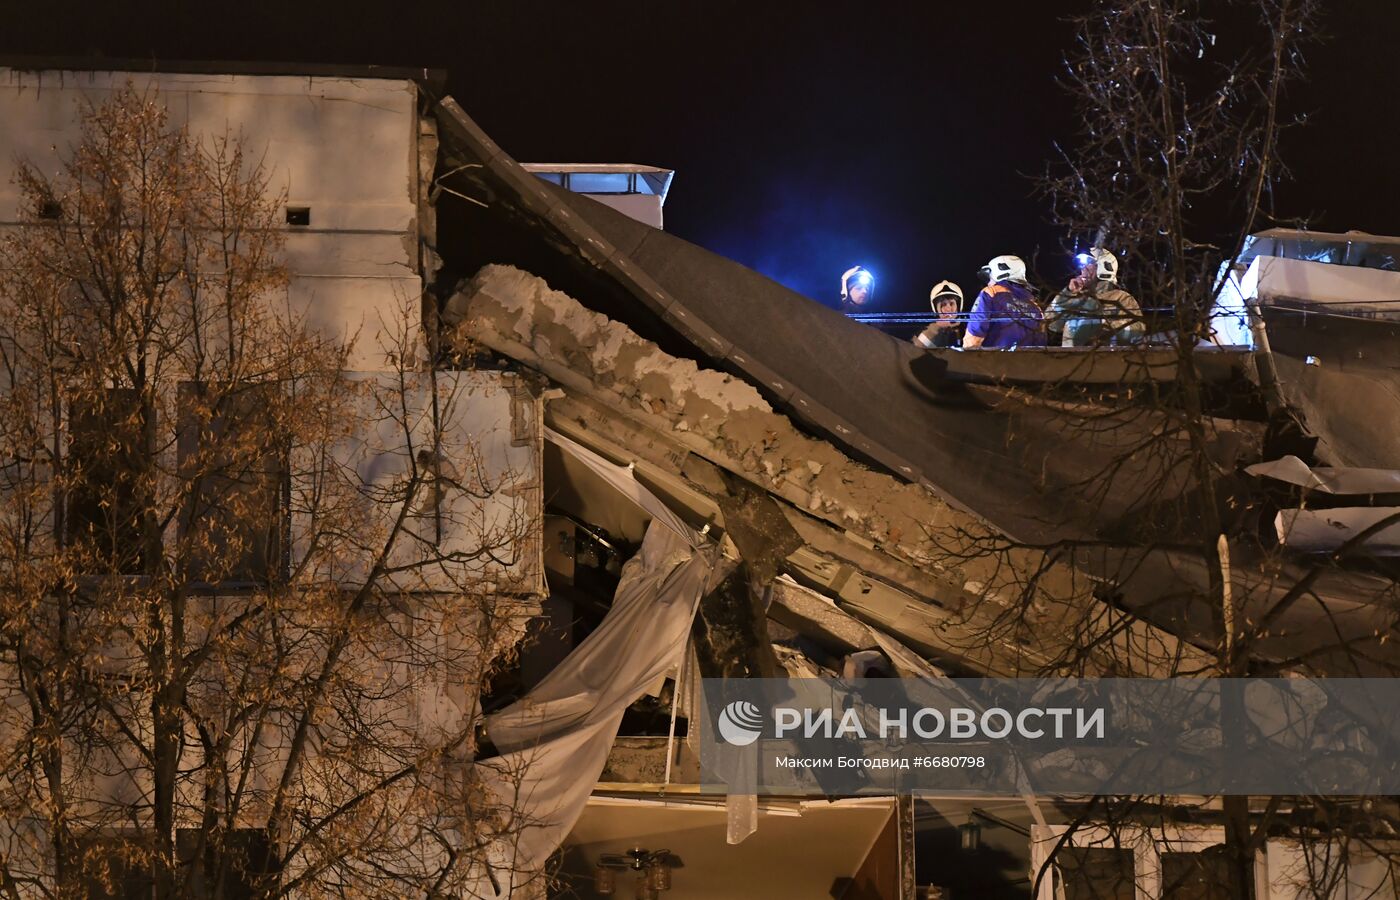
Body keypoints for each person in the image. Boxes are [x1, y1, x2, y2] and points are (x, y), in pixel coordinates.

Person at [1046, 248, 1146, 347]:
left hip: (1107, 359)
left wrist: (1100, 325)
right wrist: (1068, 292)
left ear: (1103, 267)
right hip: (1073, 360)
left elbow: (1137, 331)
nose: (1082, 269)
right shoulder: (1076, 298)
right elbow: (1052, 323)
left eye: (1088, 264)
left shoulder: (1121, 297)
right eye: (1082, 266)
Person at [963, 255, 1046, 349]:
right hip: (1025, 362)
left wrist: (968, 355)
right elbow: (1040, 344)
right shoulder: (1036, 308)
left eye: (990, 277)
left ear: (1001, 273)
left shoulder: (991, 293)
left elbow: (976, 328)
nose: (989, 283)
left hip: (992, 360)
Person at [914, 280, 965, 349]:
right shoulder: (928, 330)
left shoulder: (969, 327)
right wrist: (935, 328)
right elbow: (915, 349)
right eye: (943, 304)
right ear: (936, 309)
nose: (948, 309)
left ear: (958, 306)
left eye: (951, 303)